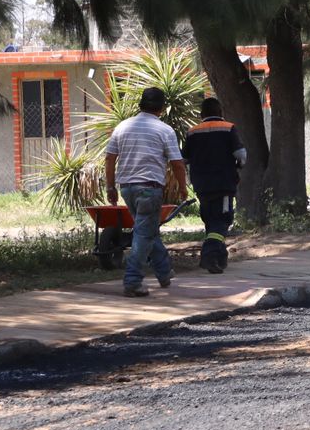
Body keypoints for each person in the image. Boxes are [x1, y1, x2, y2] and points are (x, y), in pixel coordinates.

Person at [104, 86, 187, 297]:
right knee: (143, 234)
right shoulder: (164, 130)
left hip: (127, 189)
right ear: (162, 108)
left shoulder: (122, 126)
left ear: (140, 104)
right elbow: (177, 163)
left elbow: (110, 158)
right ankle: (132, 280)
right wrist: (183, 188)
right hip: (149, 189)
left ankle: (164, 271)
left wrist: (110, 187)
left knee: (147, 231)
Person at [182, 97, 245, 274]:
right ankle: (209, 255)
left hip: (202, 185)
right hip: (224, 183)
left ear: (202, 114)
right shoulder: (229, 128)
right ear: (220, 112)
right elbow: (241, 155)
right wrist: (238, 166)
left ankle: (219, 257)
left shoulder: (192, 132)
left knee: (210, 219)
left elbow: (184, 159)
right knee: (222, 221)